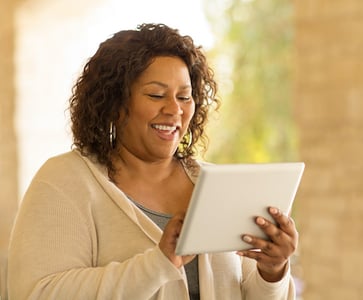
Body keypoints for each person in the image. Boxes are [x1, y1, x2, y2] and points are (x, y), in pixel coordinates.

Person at [7, 23, 299, 299]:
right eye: (156, 94)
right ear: (115, 103)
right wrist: (157, 264)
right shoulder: (65, 181)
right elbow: (37, 293)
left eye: (185, 97)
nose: (174, 109)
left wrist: (271, 271)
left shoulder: (219, 187)